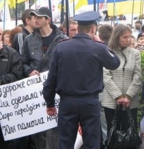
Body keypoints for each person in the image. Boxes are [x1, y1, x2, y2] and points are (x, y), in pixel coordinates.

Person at [43, 11, 120, 149]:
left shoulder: (61, 47)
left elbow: (51, 78)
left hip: (67, 102)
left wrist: (49, 102)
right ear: (93, 29)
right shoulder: (98, 48)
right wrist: (101, 43)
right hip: (90, 102)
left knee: (65, 142)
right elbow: (115, 63)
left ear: (78, 29)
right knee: (92, 142)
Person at [22, 7, 68, 149]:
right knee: (39, 132)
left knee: (56, 129)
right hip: (36, 91)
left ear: (47, 20)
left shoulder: (63, 40)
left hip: (58, 90)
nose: (35, 19)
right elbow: (22, 63)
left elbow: (68, 64)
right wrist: (29, 71)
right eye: (34, 17)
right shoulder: (29, 39)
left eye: (39, 17)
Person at [101, 24, 142, 149]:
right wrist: (118, 95)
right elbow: (106, 76)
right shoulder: (108, 52)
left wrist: (128, 95)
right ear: (117, 37)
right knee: (113, 135)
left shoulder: (135, 53)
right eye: (125, 37)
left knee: (130, 136)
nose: (128, 40)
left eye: (130, 37)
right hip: (111, 102)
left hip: (131, 102)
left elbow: (137, 76)